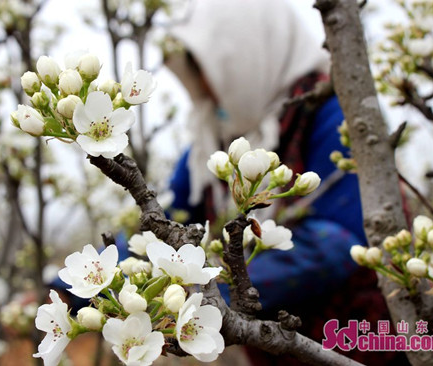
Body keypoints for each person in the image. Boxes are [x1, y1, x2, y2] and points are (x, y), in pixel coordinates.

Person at [164, 0, 407, 364]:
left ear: (246, 58)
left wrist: (209, 290)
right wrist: (97, 290)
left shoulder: (331, 111)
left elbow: (343, 242)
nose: (206, 92)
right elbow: (166, 220)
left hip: (361, 345)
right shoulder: (212, 142)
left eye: (212, 72)